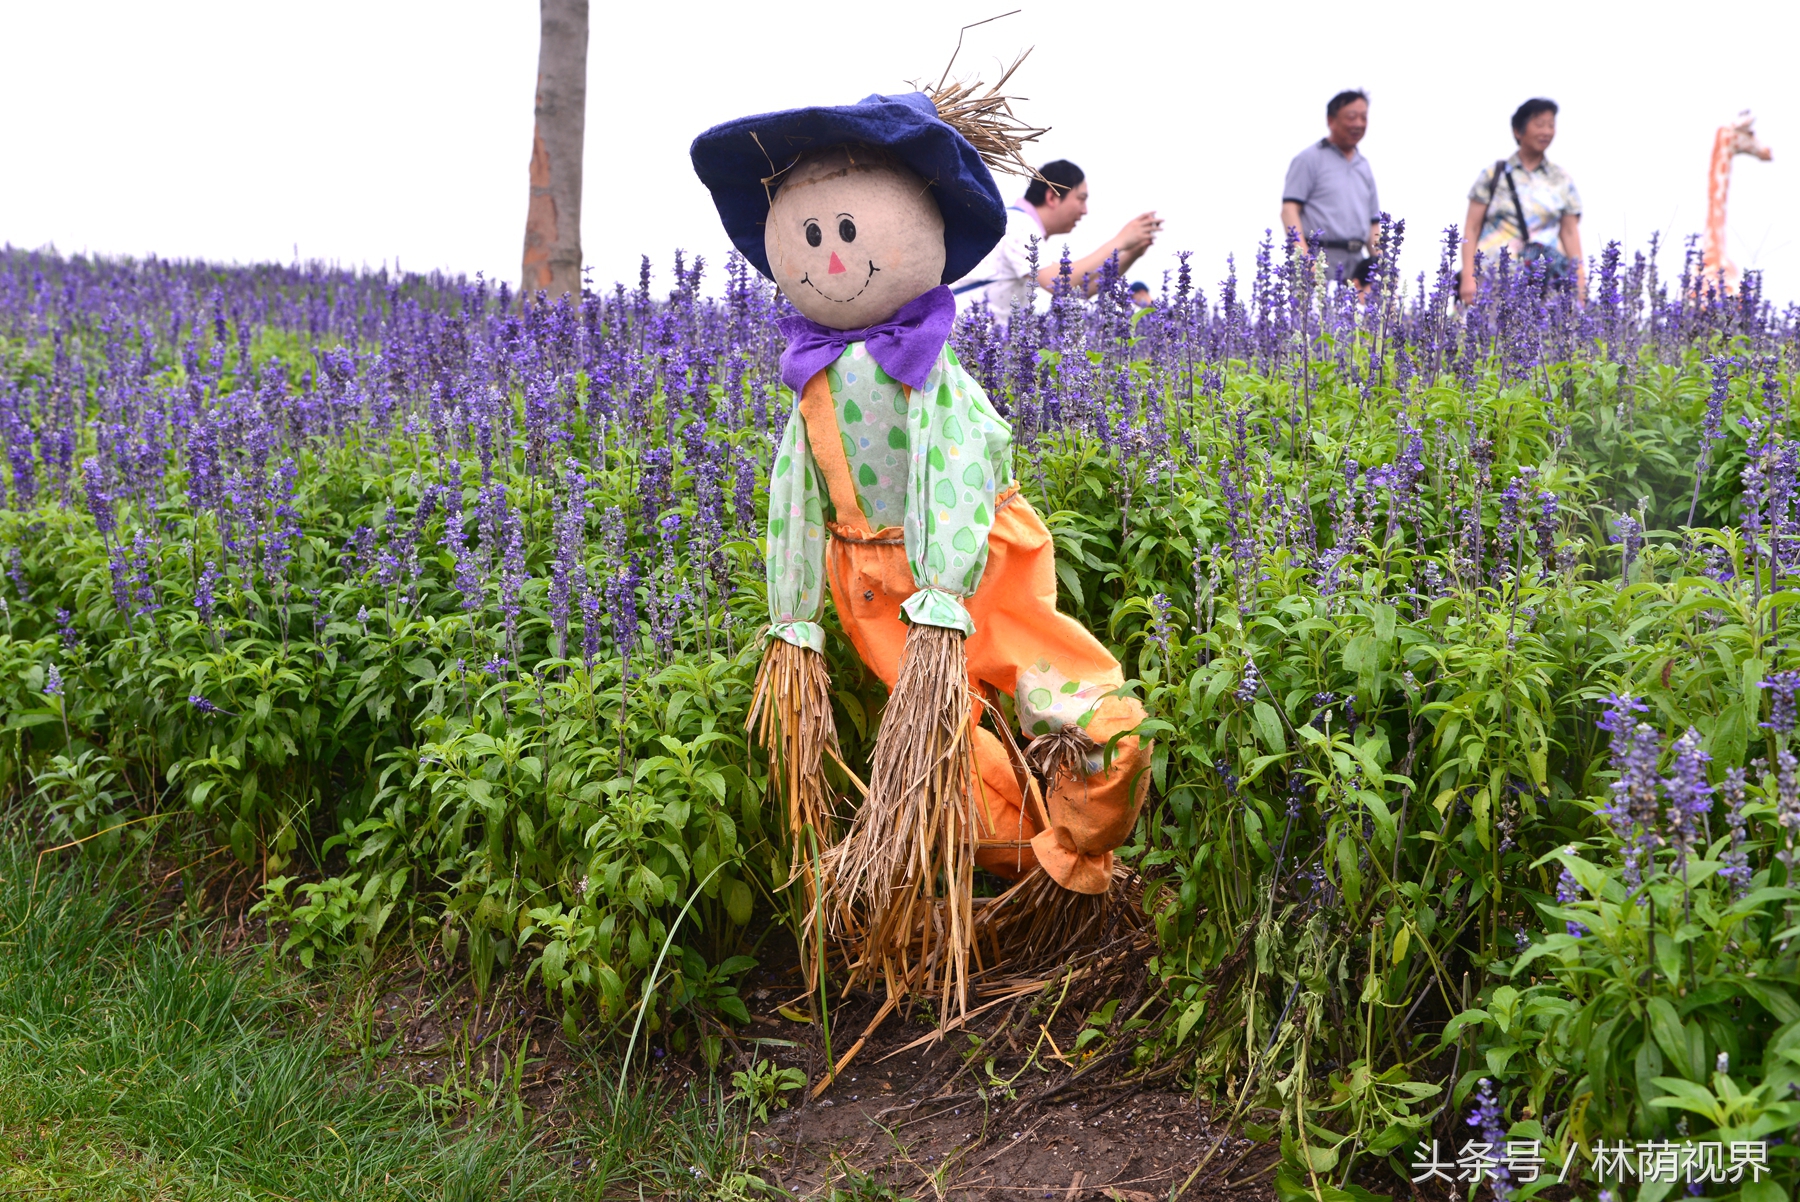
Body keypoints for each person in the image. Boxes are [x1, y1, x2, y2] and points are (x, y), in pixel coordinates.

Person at [951, 159, 1161, 322]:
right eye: (1081, 199)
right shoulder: (1017, 224)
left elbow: (1082, 289)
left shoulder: (1023, 227)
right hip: (963, 342)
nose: (1085, 210)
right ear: (1052, 197)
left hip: (984, 350)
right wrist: (1120, 241)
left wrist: (1131, 253)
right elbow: (1061, 283)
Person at [1459, 98, 1585, 303]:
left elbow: (1570, 233)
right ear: (1518, 130)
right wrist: (1468, 277)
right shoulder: (1494, 175)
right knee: (1490, 333)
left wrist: (1580, 283)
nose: (1546, 131)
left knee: (1547, 333)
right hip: (1496, 277)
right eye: (1539, 124)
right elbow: (1471, 228)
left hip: (1546, 279)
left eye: (1551, 125)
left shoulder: (1561, 179)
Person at [1281, 90, 1381, 280]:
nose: (1359, 124)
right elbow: (1289, 209)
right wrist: (1304, 256)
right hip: (1319, 259)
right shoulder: (1309, 159)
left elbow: (1373, 224)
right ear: (1331, 120)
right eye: (1351, 117)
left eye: (1363, 118)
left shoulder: (1364, 166)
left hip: (1356, 264)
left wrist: (1384, 268)